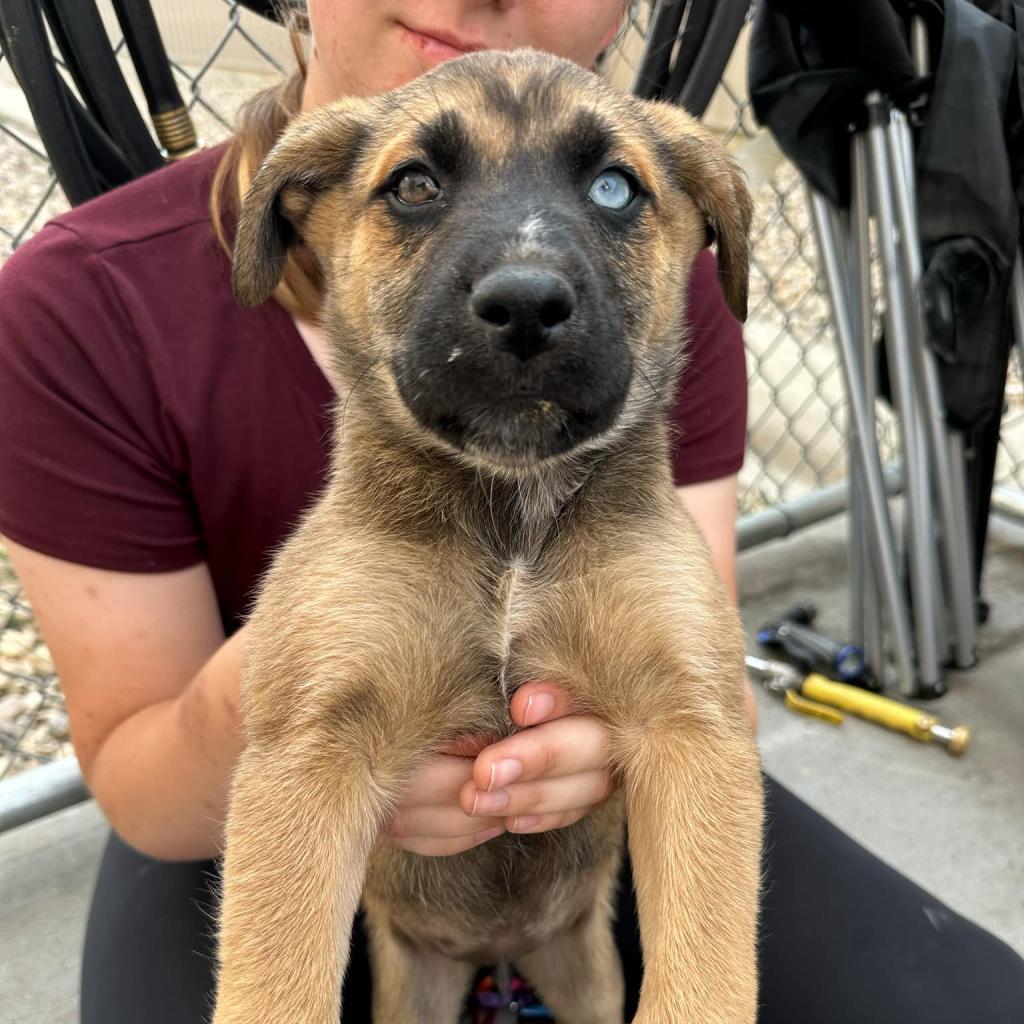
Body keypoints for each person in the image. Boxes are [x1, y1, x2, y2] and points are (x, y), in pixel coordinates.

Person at [0, 2, 1021, 1022]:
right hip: (247, 833)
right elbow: (152, 780)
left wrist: (635, 734)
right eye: (416, 185)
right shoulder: (80, 304)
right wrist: (307, 700)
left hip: (583, 887)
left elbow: (701, 717)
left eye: (612, 186)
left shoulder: (669, 294)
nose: (524, 275)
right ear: (302, 212)